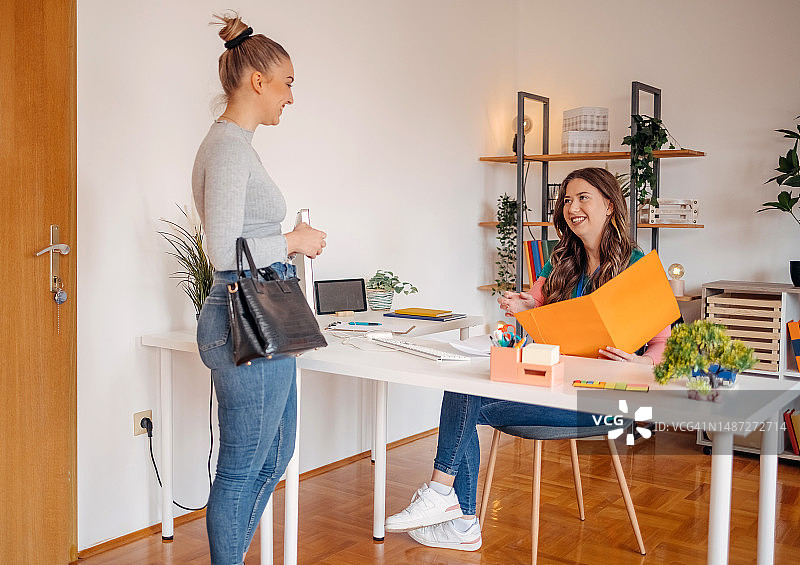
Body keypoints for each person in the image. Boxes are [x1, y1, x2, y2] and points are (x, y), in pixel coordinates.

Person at [384, 167, 669, 552]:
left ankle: (454, 510)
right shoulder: (561, 262)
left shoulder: (638, 267)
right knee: (463, 389)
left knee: (464, 401)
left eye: (583, 197)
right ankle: (453, 509)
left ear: (609, 205)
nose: (573, 207)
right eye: (567, 200)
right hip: (549, 388)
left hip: (604, 399)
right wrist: (525, 306)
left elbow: (665, 344)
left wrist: (643, 364)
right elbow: (537, 311)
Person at [192, 13, 326, 565]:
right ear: (258, 81)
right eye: (288, 82)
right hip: (245, 317)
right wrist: (292, 238)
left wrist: (284, 241)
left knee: (275, 455)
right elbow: (224, 251)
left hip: (262, 317)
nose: (291, 96)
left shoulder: (237, 146)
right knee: (245, 465)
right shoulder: (226, 147)